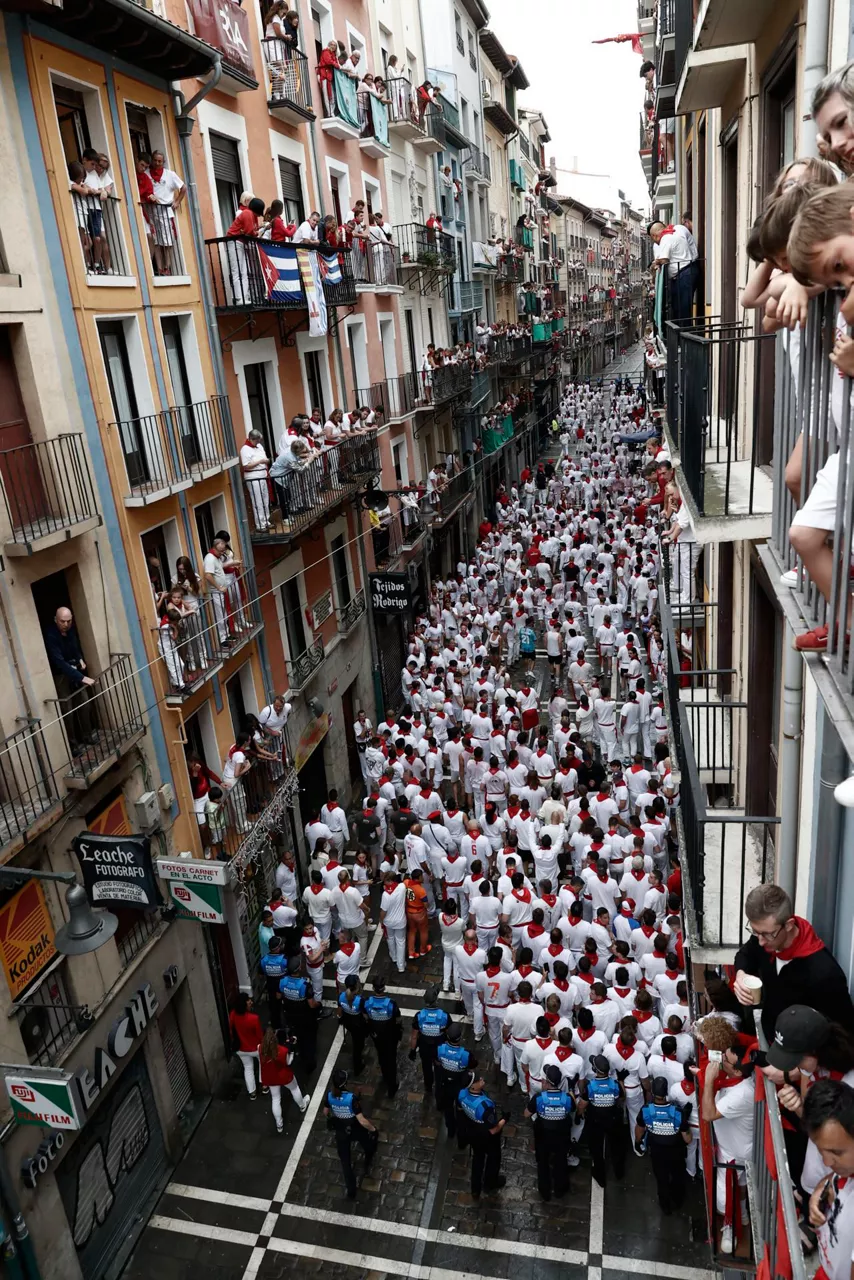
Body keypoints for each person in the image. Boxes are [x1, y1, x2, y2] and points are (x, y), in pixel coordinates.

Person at [732, 884, 854, 1037]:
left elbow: (843, 1034)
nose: (761, 941)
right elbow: (745, 955)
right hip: (774, 1042)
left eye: (768, 934)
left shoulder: (824, 974)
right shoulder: (764, 937)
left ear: (789, 925)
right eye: (756, 932)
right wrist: (741, 975)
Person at [804, 1080, 854, 1280]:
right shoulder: (847, 1167)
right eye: (820, 1149)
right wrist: (822, 1186)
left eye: (836, 1152)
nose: (826, 1161)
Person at [44, 607, 98, 756]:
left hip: (74, 670)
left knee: (85, 703)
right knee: (67, 710)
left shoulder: (71, 630)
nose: (66, 624)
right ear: (56, 619)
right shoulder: (51, 635)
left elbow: (75, 647)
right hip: (61, 674)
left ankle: (87, 736)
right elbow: (59, 662)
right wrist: (82, 677)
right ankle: (73, 745)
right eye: (63, 621)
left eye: (68, 621)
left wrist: (79, 657)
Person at [635, 1076, 692, 1215]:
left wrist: (637, 1142)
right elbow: (688, 1139)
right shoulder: (677, 1112)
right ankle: (677, 1201)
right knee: (677, 1177)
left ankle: (665, 1206)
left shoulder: (646, 1110)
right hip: (675, 1153)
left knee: (661, 1179)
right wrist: (685, 1119)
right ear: (666, 1092)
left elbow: (639, 1129)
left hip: (657, 1152)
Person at [324, 1067, 378, 1199]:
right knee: (367, 1143)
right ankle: (368, 1158)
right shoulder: (351, 1099)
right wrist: (373, 1129)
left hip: (341, 1131)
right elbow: (362, 1121)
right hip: (355, 1128)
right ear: (345, 1083)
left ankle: (351, 1190)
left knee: (345, 1163)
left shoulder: (330, 1096)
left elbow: (325, 1112)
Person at [524, 1063, 575, 1201]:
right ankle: (560, 1189)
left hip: (543, 1135)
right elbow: (573, 1108)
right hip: (561, 1135)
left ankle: (545, 1191)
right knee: (561, 1161)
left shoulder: (539, 1098)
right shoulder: (567, 1099)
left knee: (543, 1163)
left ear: (546, 1082)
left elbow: (526, 1114)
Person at [456, 1071, 507, 1197]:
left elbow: (460, 1110)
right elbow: (494, 1129)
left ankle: (475, 1188)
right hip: (487, 1137)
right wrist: (505, 1118)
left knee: (478, 1159)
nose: (481, 1078)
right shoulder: (485, 1105)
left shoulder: (462, 1094)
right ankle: (490, 1183)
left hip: (473, 1133)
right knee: (493, 1159)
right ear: (472, 1087)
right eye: (478, 1079)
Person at [581, 1054, 626, 1187]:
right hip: (612, 1118)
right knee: (616, 1147)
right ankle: (619, 1172)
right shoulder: (614, 1084)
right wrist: (621, 1080)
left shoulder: (590, 1086)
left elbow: (582, 1104)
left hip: (596, 1120)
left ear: (595, 1070)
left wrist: (580, 1113)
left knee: (597, 1148)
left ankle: (600, 1176)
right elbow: (622, 1097)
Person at [259, 1027, 310, 1132]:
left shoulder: (260, 1047)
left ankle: (279, 1124)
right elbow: (288, 1062)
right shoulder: (282, 1051)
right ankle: (302, 1105)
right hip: (284, 1075)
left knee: (276, 1099)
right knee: (294, 1089)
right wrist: (291, 1051)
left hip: (271, 1077)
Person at [279, 955, 321, 1074]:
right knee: (309, 1040)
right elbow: (312, 1004)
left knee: (299, 1037)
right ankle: (310, 1063)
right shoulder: (304, 985)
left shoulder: (283, 982)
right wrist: (318, 1004)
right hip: (305, 1018)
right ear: (299, 969)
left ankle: (302, 1055)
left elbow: (279, 996)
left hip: (291, 1017)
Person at [435, 1023, 477, 1141]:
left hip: (446, 1085)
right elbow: (472, 1068)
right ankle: (461, 1136)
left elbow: (437, 1062)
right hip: (460, 1087)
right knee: (460, 1110)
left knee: (448, 1108)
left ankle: (451, 1131)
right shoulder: (466, 1055)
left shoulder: (440, 1049)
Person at [363, 977, 403, 1097]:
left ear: (373, 988)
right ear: (384, 988)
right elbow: (398, 1020)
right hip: (390, 1037)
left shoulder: (367, 1003)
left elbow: (365, 1018)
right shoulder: (391, 1004)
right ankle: (392, 1085)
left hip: (376, 1036)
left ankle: (385, 1076)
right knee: (391, 1059)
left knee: (381, 1055)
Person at [409, 984, 450, 1093]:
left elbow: (414, 1036)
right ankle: (439, 1087)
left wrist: (412, 1050)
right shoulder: (444, 1016)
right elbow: (449, 1034)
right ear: (436, 1000)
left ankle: (428, 1087)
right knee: (439, 1069)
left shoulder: (419, 1016)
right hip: (439, 1049)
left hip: (424, 1048)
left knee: (426, 1068)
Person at [228, 993, 262, 1099]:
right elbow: (260, 1035)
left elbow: (230, 1030)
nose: (250, 1001)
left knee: (248, 1068)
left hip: (241, 1048)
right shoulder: (254, 1018)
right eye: (248, 1000)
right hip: (255, 1048)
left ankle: (252, 1092)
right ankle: (265, 1086)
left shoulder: (233, 1015)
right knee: (263, 1064)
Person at [338, 974, 368, 1074]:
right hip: (358, 1026)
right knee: (358, 1046)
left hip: (348, 1023)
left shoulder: (341, 996)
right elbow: (365, 1015)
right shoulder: (360, 1000)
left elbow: (339, 1012)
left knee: (357, 1042)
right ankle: (357, 1066)